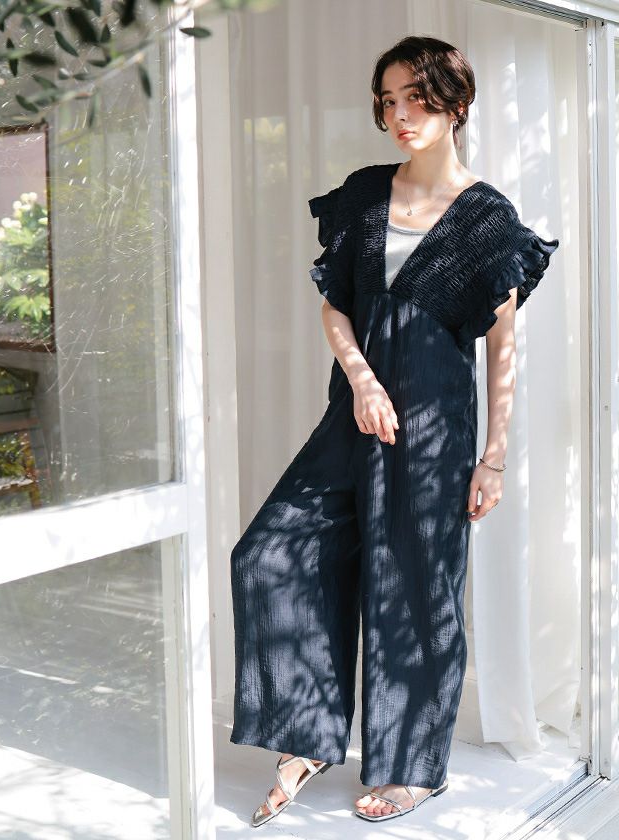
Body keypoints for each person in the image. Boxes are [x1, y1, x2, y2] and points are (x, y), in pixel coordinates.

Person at [229, 34, 560, 827]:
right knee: (271, 553)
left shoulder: (487, 219)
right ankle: (308, 734)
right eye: (388, 100)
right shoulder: (364, 194)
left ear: (456, 103)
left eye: (416, 96)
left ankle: (413, 769)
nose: (400, 114)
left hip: (436, 431)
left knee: (415, 591)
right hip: (356, 414)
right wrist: (361, 379)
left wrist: (493, 459)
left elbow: (503, 347)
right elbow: (334, 306)